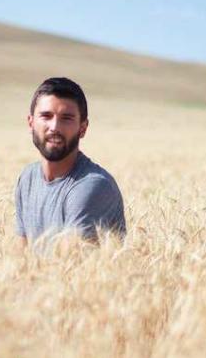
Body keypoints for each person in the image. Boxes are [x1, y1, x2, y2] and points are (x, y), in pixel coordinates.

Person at [15, 77, 126, 247]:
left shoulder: (92, 186)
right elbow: (20, 254)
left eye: (66, 118)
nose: (55, 127)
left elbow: (69, 265)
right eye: (46, 116)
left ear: (83, 128)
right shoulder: (27, 179)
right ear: (31, 123)